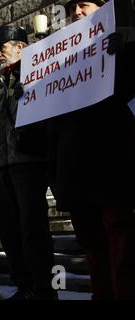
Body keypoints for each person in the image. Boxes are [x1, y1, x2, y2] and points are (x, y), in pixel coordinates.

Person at [47, 0, 135, 299]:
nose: (75, 13)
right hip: (75, 164)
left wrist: (122, 56)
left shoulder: (124, 46)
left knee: (120, 238)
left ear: (103, 8)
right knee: (92, 244)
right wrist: (28, 97)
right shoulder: (60, 64)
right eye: (72, 8)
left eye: (83, 5)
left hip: (112, 160)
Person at [0, 26, 56, 300]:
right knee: (9, 231)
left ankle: (44, 290)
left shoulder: (36, 74)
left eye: (2, 48)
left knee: (32, 228)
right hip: (2, 165)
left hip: (28, 162)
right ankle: (24, 286)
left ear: (20, 47)